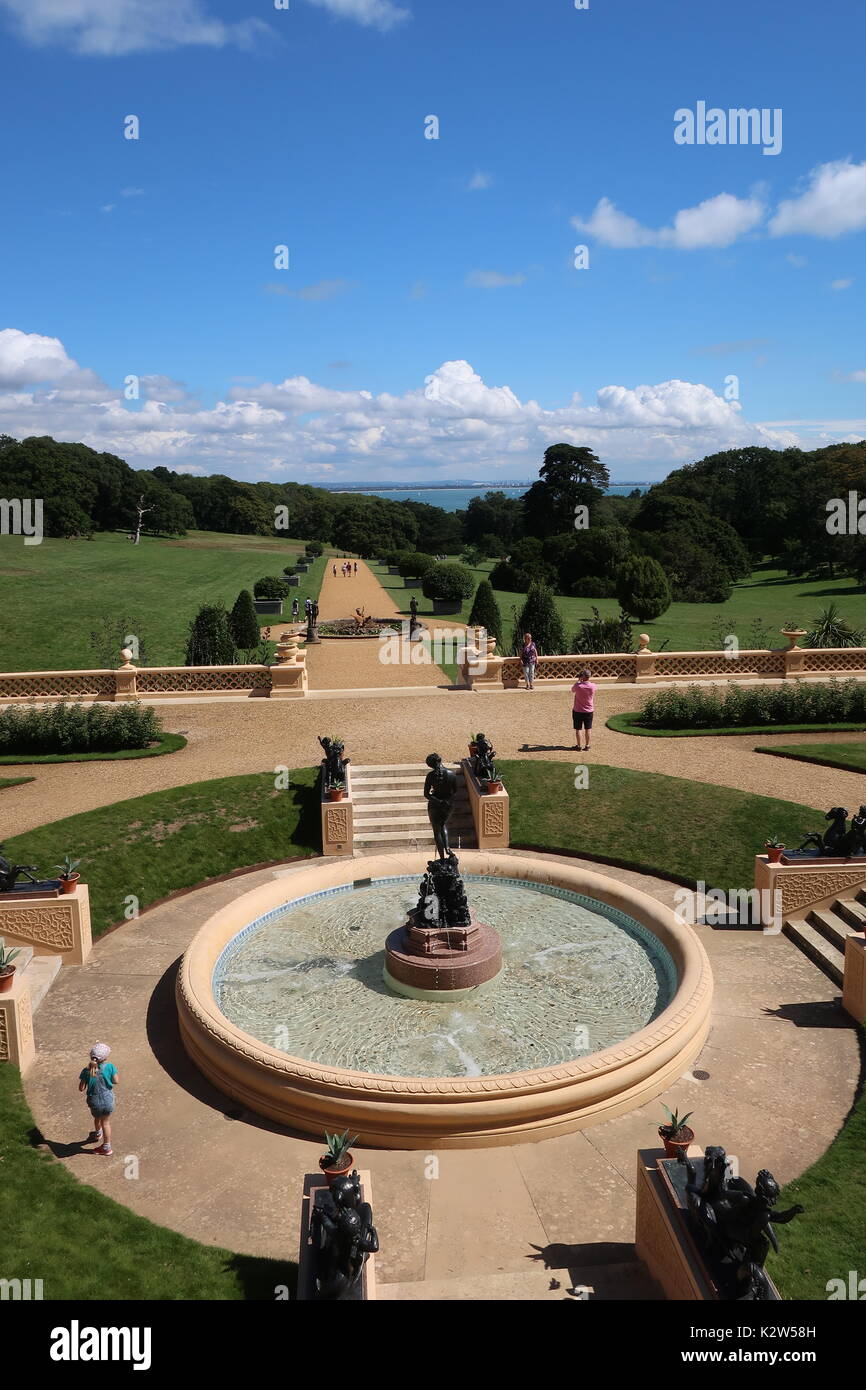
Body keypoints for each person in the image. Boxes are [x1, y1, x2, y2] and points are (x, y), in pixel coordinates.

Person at [78, 1042, 118, 1155]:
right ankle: (106, 1147)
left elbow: (81, 1088)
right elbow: (116, 1081)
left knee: (97, 1118)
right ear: (105, 1057)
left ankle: (97, 1133)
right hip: (108, 1099)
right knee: (106, 1122)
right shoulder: (110, 1067)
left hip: (94, 1101)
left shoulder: (86, 1071)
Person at [571, 667, 596, 752]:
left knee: (578, 729)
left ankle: (578, 746)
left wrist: (579, 681)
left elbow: (572, 690)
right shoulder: (593, 686)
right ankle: (587, 745)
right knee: (588, 729)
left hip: (578, 710)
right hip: (589, 711)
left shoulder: (578, 686)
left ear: (582, 676)